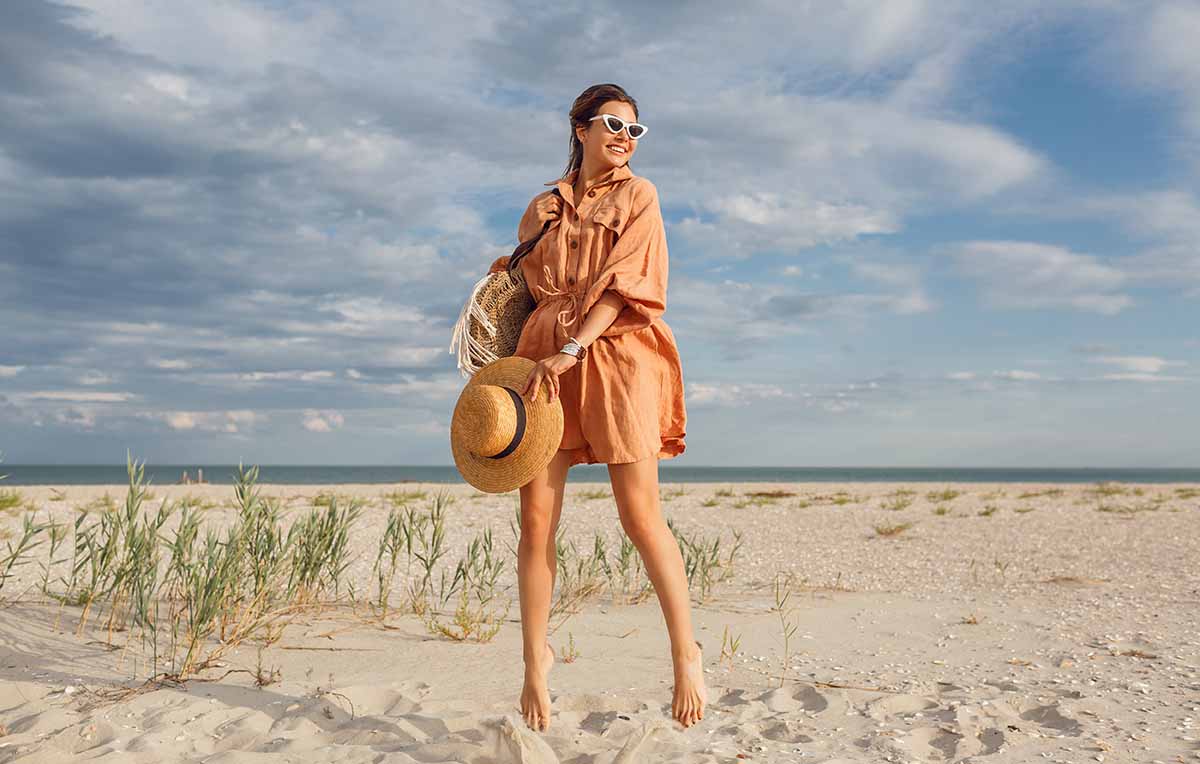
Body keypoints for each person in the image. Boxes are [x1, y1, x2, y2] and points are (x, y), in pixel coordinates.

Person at [486, 83, 703, 732]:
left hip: (615, 354)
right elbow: (518, 291)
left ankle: (685, 653)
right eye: (612, 124)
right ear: (579, 128)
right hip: (542, 362)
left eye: (634, 131)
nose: (624, 138)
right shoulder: (541, 208)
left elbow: (631, 281)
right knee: (534, 521)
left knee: (640, 517)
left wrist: (575, 347)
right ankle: (534, 660)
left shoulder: (641, 196)